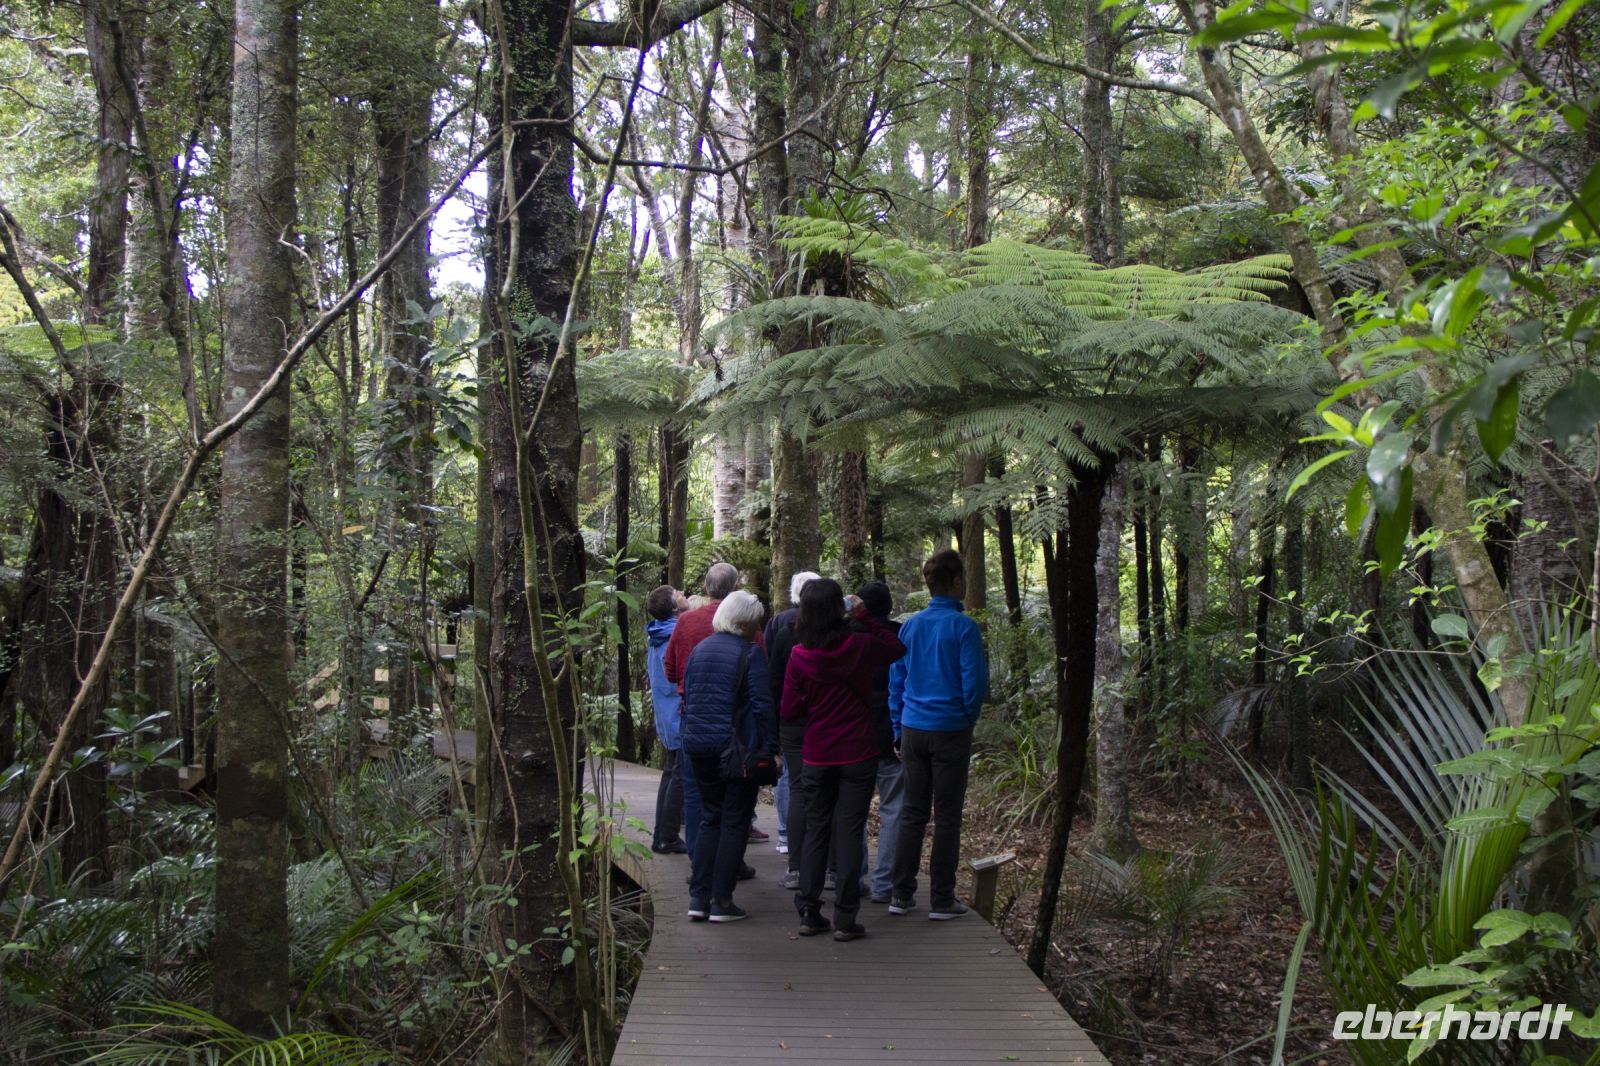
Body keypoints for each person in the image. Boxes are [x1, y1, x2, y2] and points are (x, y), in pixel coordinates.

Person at [782, 578, 906, 941]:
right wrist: (865, 616)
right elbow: (896, 648)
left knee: (817, 829)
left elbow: (790, 709)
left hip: (818, 754)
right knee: (850, 831)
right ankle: (846, 918)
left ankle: (808, 910)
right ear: (841, 608)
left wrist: (813, 703)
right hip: (858, 750)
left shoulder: (799, 656)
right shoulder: (861, 645)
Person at [888, 549, 989, 921]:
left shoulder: (910, 626)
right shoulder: (963, 628)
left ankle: (901, 894)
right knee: (947, 815)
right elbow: (973, 683)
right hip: (949, 730)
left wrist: (897, 727)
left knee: (913, 812)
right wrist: (966, 717)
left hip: (914, 729)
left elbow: (895, 679)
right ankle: (942, 899)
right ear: (958, 581)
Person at [680, 591, 773, 922]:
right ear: (746, 622)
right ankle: (722, 900)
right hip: (734, 751)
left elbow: (688, 696)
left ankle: (698, 898)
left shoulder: (700, 650)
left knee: (710, 818)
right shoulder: (750, 654)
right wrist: (768, 749)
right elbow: (762, 705)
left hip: (698, 745)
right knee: (734, 820)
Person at [665, 563, 768, 853]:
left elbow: (671, 670)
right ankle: (730, 864)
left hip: (694, 717)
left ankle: (700, 862)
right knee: (734, 795)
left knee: (697, 794)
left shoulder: (686, 622)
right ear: (735, 587)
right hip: (737, 723)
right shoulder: (749, 627)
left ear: (707, 588)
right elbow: (761, 673)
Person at [765, 570, 820, 885]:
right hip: (820, 718)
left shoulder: (780, 624)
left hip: (790, 717)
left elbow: (772, 673)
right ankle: (826, 863)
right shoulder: (832, 627)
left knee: (793, 782)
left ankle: (789, 841)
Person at [854, 581, 906, 904]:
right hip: (890, 732)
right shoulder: (900, 635)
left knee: (853, 811)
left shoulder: (847, 636)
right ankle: (885, 883)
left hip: (856, 734)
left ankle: (853, 876)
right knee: (894, 809)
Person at [647, 585, 690, 854]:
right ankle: (668, 837)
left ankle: (661, 835)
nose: (684, 593)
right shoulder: (676, 633)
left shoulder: (657, 633)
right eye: (678, 594)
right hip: (677, 711)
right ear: (674, 608)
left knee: (671, 771)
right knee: (678, 775)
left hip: (666, 711)